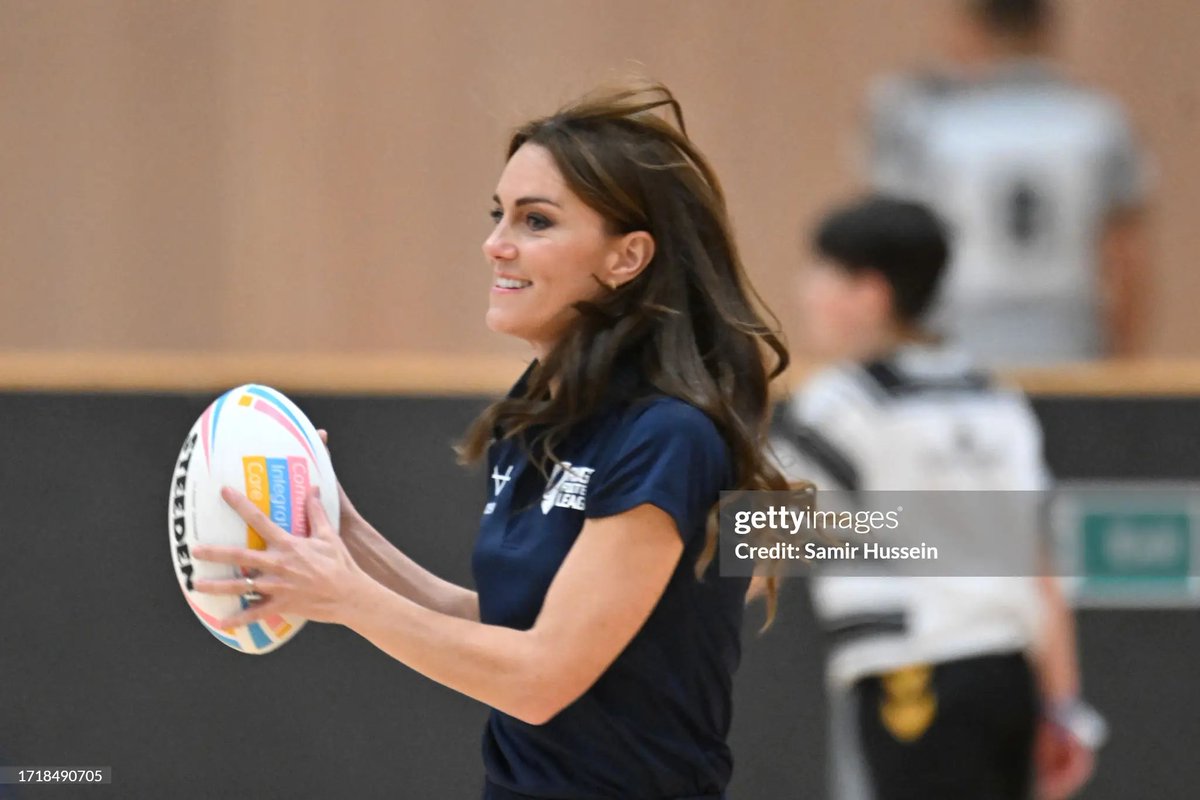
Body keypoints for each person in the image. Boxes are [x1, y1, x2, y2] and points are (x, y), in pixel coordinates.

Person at [190, 80, 789, 800]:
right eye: (499, 214)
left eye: (536, 221)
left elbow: (540, 678)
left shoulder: (667, 435)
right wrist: (348, 538)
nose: (495, 244)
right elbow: (501, 628)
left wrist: (346, 599)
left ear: (626, 257)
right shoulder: (536, 415)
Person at [771, 196, 1103, 799]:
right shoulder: (994, 398)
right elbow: (1038, 564)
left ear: (869, 292)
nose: (805, 292)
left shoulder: (846, 404)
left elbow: (760, 535)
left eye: (821, 273)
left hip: (914, 673)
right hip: (1010, 679)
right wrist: (1063, 704)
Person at [864, 0, 1150, 365]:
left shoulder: (929, 126)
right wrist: (1124, 362)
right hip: (1067, 341)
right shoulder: (1098, 123)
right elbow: (1126, 261)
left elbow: (890, 246)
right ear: (1045, 29)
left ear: (973, 29)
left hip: (960, 340)